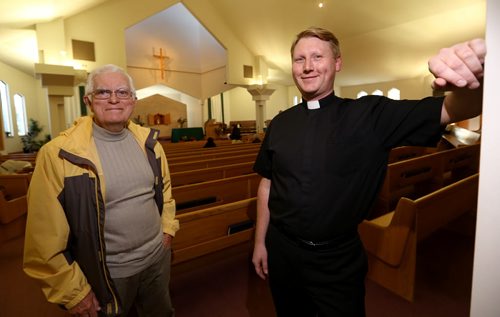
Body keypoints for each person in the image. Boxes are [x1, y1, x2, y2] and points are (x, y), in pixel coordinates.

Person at [252, 27, 485, 317]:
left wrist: (469, 82)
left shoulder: (370, 114)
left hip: (335, 260)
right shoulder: (279, 123)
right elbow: (267, 184)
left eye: (317, 56)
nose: (308, 66)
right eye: (299, 59)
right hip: (282, 251)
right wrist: (261, 242)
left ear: (337, 63)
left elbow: (454, 110)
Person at [23, 64, 179, 317]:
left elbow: (165, 192)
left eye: (123, 92)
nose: (114, 99)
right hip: (107, 271)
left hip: (156, 259)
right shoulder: (59, 154)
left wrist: (168, 228)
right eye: (103, 92)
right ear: (88, 100)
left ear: (133, 100)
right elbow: (43, 235)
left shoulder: (149, 143)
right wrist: (72, 291)